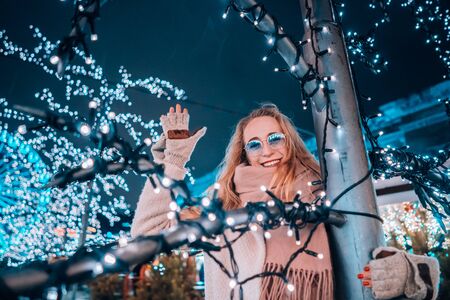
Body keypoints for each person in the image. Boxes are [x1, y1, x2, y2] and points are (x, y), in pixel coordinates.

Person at [131, 103, 440, 300]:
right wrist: (174, 160)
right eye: (254, 144)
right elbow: (148, 234)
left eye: (274, 139)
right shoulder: (225, 203)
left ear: (290, 143)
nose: (266, 151)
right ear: (245, 153)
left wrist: (404, 272)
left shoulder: (326, 192)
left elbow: (371, 249)